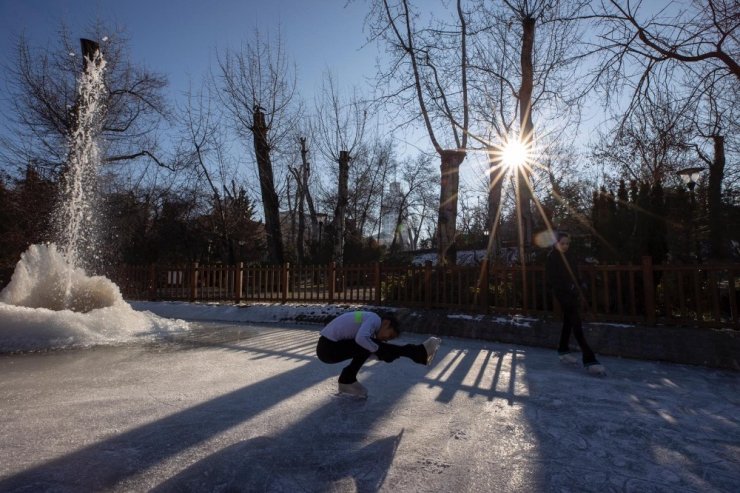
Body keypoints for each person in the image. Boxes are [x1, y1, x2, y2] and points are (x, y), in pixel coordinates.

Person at [316, 310, 442, 398]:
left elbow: (364, 349)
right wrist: (381, 351)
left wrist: (382, 354)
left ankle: (347, 380)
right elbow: (361, 339)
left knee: (370, 345)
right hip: (328, 347)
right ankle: (417, 352)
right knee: (369, 343)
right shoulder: (374, 318)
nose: (387, 339)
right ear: (386, 323)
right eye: (390, 335)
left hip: (327, 349)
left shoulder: (367, 322)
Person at [545, 231, 606, 375]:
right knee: (576, 324)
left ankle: (563, 350)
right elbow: (553, 279)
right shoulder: (552, 258)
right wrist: (567, 287)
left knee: (568, 321)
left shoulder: (569, 256)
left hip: (573, 293)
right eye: (562, 243)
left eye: (567, 243)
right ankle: (590, 360)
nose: (565, 246)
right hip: (563, 294)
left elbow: (574, 273)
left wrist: (580, 283)